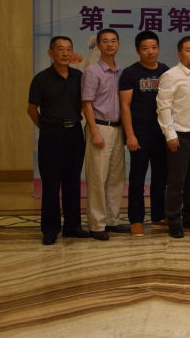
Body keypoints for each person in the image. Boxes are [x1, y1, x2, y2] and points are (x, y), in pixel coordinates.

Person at [27, 36, 90, 245]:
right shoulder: (41, 79)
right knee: (51, 185)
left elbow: (83, 104)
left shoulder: (78, 77)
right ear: (50, 53)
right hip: (51, 136)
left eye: (69, 49)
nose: (65, 53)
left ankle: (73, 226)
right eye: (60, 49)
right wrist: (47, 127)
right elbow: (31, 110)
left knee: (73, 182)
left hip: (74, 134)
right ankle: (50, 229)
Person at [156, 36, 190, 238]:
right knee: (176, 183)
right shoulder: (171, 75)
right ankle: (174, 220)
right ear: (179, 54)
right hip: (179, 136)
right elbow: (163, 107)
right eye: (189, 50)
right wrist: (169, 134)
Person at [118, 30, 170, 236]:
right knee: (138, 178)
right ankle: (136, 219)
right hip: (140, 132)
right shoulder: (130, 73)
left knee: (161, 176)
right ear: (138, 50)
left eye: (154, 47)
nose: (150, 52)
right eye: (145, 48)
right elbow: (124, 106)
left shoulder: (165, 71)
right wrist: (130, 135)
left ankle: (158, 215)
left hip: (161, 132)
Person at [81, 28, 128, 241]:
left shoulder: (121, 72)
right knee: (97, 178)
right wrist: (94, 132)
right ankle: (97, 225)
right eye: (105, 41)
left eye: (113, 41)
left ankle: (112, 220)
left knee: (116, 178)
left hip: (118, 129)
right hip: (99, 128)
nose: (110, 44)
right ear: (99, 45)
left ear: (118, 45)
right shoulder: (92, 71)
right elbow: (87, 104)